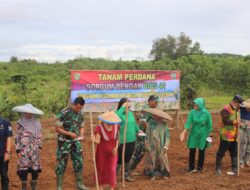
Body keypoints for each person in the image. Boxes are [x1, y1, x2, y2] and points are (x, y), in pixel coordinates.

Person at [55, 97, 88, 190]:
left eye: (81, 108)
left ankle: (80, 184)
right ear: (74, 104)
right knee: (61, 163)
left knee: (79, 161)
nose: (79, 110)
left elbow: (81, 126)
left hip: (76, 141)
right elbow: (57, 128)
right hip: (64, 142)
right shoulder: (64, 112)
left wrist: (81, 134)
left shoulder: (81, 113)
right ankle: (59, 186)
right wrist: (69, 133)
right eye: (78, 108)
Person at [180, 98, 213, 173]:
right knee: (192, 150)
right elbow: (188, 123)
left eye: (197, 105)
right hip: (194, 133)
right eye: (194, 105)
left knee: (202, 150)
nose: (195, 107)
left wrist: (209, 137)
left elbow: (209, 125)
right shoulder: (192, 112)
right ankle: (191, 168)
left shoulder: (207, 113)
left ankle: (199, 168)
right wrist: (184, 132)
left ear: (201, 105)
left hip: (203, 134)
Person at [91, 111, 121, 190]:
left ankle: (112, 188)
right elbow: (98, 141)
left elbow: (117, 138)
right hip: (102, 153)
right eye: (109, 122)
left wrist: (116, 147)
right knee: (101, 169)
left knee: (112, 170)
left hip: (112, 153)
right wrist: (93, 139)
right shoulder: (99, 128)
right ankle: (101, 187)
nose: (111, 124)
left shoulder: (116, 126)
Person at [129, 95, 159, 172]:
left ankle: (148, 169)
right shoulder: (146, 109)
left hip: (148, 134)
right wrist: (149, 130)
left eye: (157, 102)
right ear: (150, 101)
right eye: (155, 102)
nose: (156, 103)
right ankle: (129, 170)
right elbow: (142, 121)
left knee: (149, 151)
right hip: (143, 134)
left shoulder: (152, 109)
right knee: (139, 152)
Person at [115, 98, 142, 182]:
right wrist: (122, 108)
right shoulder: (119, 113)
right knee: (119, 159)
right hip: (122, 140)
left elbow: (133, 124)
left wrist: (138, 130)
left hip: (132, 139)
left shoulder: (130, 113)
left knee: (128, 158)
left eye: (129, 104)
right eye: (126, 104)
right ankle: (113, 176)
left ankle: (126, 175)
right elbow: (116, 116)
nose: (128, 105)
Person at [215, 94, 243, 176]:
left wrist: (240, 124)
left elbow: (237, 120)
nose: (239, 106)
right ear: (235, 102)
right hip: (226, 136)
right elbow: (225, 121)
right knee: (221, 153)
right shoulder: (226, 109)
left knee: (234, 153)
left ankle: (234, 169)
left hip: (235, 136)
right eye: (239, 104)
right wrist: (235, 122)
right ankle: (218, 169)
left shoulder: (237, 110)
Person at [143, 107, 172, 180]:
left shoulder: (165, 124)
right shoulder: (150, 124)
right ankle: (152, 175)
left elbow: (167, 137)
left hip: (162, 146)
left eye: (156, 115)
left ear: (160, 116)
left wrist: (166, 146)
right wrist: (147, 145)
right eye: (154, 115)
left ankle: (165, 173)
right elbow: (147, 136)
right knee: (152, 160)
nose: (154, 116)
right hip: (152, 146)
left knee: (163, 160)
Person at [0, 115, 12, 190]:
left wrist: (7, 152)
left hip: (2, 154)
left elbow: (9, 137)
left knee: (4, 175)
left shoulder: (6, 123)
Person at [239, 99, 250, 168]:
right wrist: (240, 122)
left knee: (249, 144)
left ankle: (247, 160)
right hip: (242, 127)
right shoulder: (241, 109)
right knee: (243, 142)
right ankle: (241, 161)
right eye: (247, 107)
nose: (248, 108)